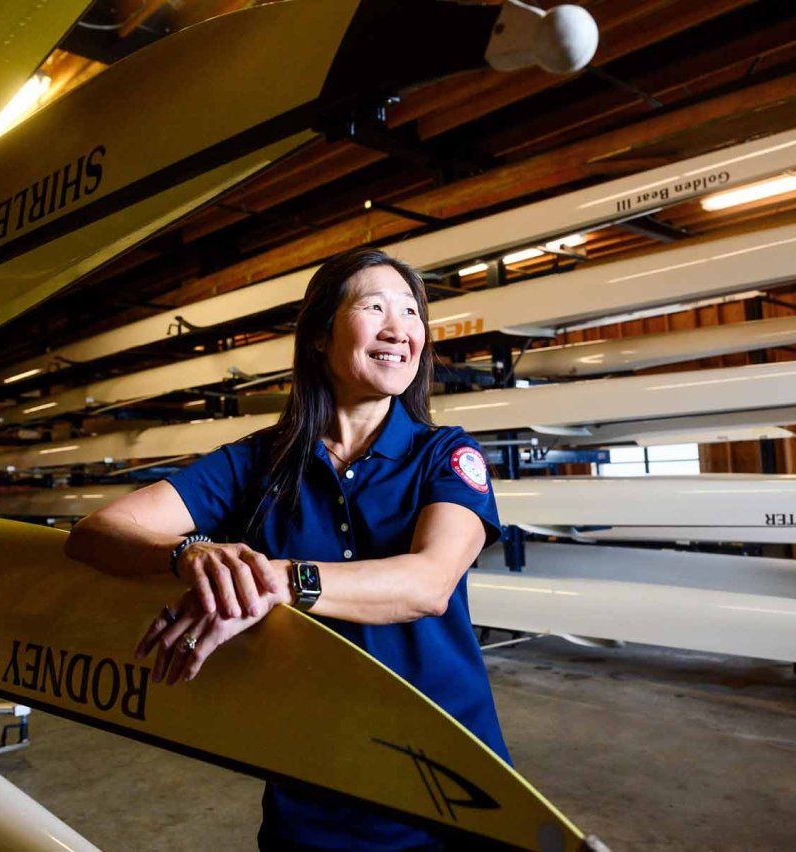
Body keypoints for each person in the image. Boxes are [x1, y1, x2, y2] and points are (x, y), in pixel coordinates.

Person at [64, 246, 508, 850]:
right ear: (321, 337)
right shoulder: (258, 461)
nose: (399, 328)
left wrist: (271, 580)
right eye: (374, 307)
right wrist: (191, 557)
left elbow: (428, 585)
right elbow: (98, 531)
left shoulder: (446, 455)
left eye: (411, 312)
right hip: (314, 783)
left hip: (453, 781)